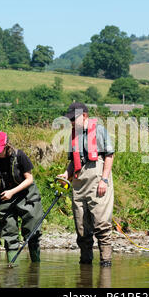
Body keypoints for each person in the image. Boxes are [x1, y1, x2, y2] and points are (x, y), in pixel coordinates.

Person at [58, 102, 115, 267]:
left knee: (101, 223)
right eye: (70, 120)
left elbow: (109, 156)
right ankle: (86, 263)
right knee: (81, 227)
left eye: (74, 119)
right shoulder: (73, 135)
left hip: (97, 178)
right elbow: (73, 161)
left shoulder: (100, 131)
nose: (72, 123)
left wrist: (104, 180)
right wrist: (66, 174)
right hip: (78, 181)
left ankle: (105, 262)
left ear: (84, 116)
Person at [0, 131, 44, 263]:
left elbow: (29, 179)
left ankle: (35, 269)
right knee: (9, 235)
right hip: (4, 198)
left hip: (26, 195)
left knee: (33, 232)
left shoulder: (20, 155)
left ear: (7, 145)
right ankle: (12, 270)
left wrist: (12, 192)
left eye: (0, 150)